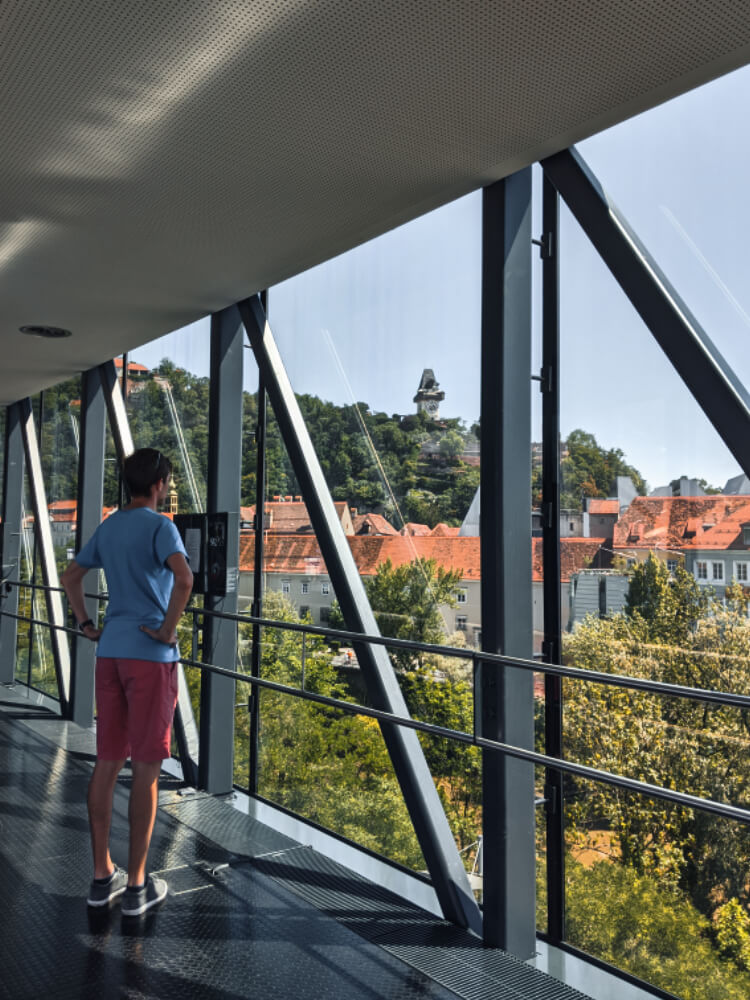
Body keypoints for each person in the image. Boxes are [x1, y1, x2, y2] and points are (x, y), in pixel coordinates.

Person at [62, 447, 193, 916]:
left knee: (108, 760)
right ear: (158, 484)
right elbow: (184, 580)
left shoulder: (110, 525)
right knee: (146, 767)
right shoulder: (162, 527)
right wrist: (167, 630)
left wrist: (85, 625)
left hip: (110, 650)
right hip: (149, 655)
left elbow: (71, 575)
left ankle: (102, 876)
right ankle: (137, 886)